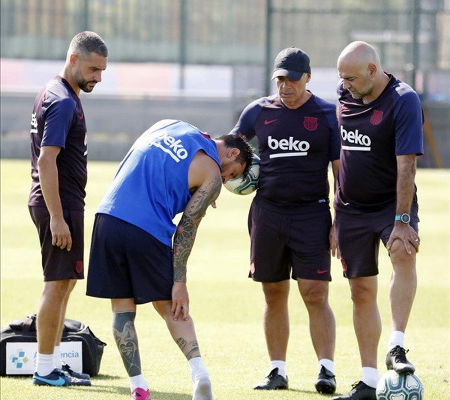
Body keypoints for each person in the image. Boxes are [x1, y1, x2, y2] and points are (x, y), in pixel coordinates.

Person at [86, 119, 254, 400]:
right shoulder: (212, 175)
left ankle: (138, 387)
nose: (225, 180)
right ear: (232, 152)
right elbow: (186, 229)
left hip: (108, 218)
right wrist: (180, 281)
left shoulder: (169, 124)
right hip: (148, 230)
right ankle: (199, 372)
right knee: (171, 306)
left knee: (122, 309)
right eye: (231, 174)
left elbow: (140, 161)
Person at [230, 47, 340, 394]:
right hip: (268, 213)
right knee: (273, 292)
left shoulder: (327, 114)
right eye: (279, 79)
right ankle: (277, 370)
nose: (285, 86)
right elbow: (229, 149)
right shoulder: (258, 111)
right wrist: (214, 179)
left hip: (312, 213)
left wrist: (339, 221)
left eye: (292, 79)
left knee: (315, 293)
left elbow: (341, 173)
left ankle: (326, 370)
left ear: (307, 77)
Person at [332, 41, 423, 400]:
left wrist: (402, 220)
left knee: (403, 252)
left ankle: (396, 345)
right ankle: (369, 382)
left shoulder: (404, 100)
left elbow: (407, 165)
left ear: (373, 70)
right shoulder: (345, 93)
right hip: (350, 209)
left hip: (389, 205)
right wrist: (335, 213)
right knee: (360, 291)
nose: (345, 84)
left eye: (351, 78)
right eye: (342, 78)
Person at [28, 31, 108, 387]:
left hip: (63, 202)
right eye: (93, 69)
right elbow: (47, 160)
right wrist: (58, 217)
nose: (98, 77)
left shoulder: (56, 91)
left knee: (65, 282)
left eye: (102, 71)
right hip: (58, 205)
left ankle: (54, 362)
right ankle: (45, 369)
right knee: (57, 284)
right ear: (73, 59)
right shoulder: (62, 100)